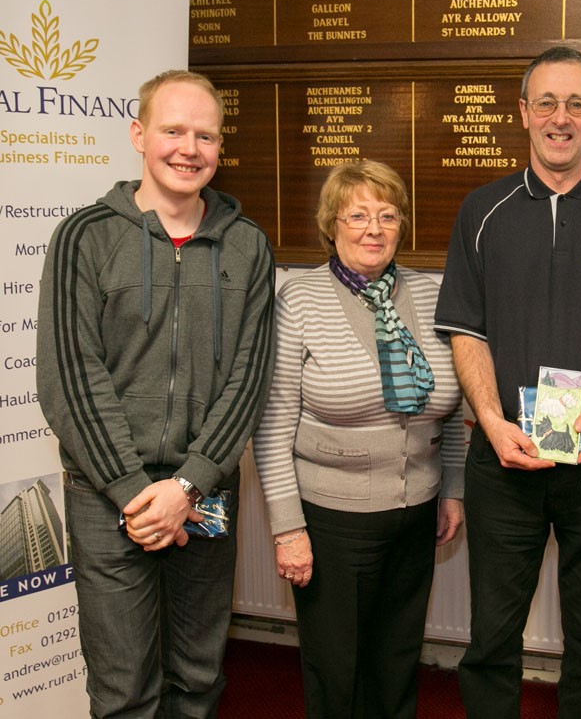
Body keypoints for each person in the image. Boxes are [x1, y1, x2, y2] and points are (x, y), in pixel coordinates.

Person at [435, 46, 581, 719]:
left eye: (576, 103)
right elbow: (465, 331)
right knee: (491, 638)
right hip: (504, 456)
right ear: (523, 114)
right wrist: (489, 420)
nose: (560, 117)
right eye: (546, 102)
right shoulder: (482, 210)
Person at [36, 70, 276, 718]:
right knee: (123, 693)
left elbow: (248, 380)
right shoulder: (85, 238)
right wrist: (135, 492)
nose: (188, 149)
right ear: (140, 135)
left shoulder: (248, 246)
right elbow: (69, 378)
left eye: (205, 135)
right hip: (109, 498)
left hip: (205, 498)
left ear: (220, 148)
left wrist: (189, 486)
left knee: (198, 680)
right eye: (173, 131)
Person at [252, 160, 465, 719]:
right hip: (330, 521)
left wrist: (452, 490)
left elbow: (453, 406)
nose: (374, 228)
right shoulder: (298, 299)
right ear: (332, 225)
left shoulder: (431, 293)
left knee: (396, 661)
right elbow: (272, 426)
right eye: (358, 215)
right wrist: (287, 528)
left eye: (388, 215)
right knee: (336, 668)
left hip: (415, 512)